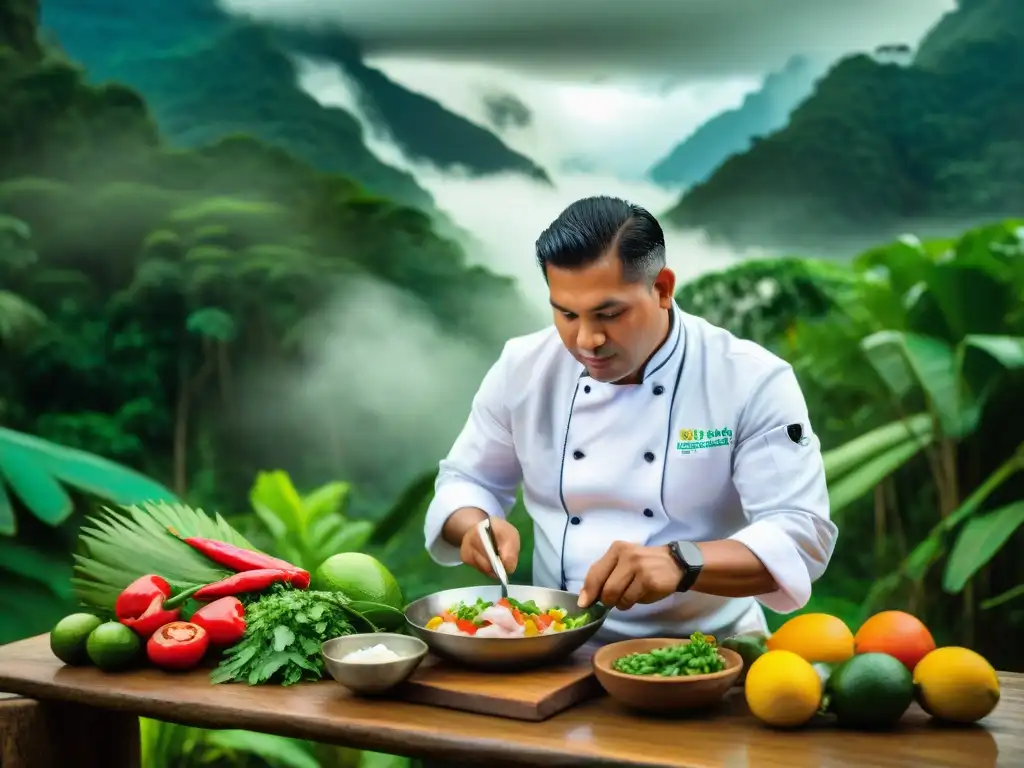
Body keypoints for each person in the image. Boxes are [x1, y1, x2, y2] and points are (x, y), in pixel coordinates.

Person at [423, 195, 838, 642]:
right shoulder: (523, 367)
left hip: (707, 654)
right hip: (555, 649)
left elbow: (800, 536)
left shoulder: (750, 379)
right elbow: (467, 480)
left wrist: (683, 562)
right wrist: (475, 525)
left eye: (609, 314)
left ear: (662, 288)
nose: (587, 339)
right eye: (566, 313)